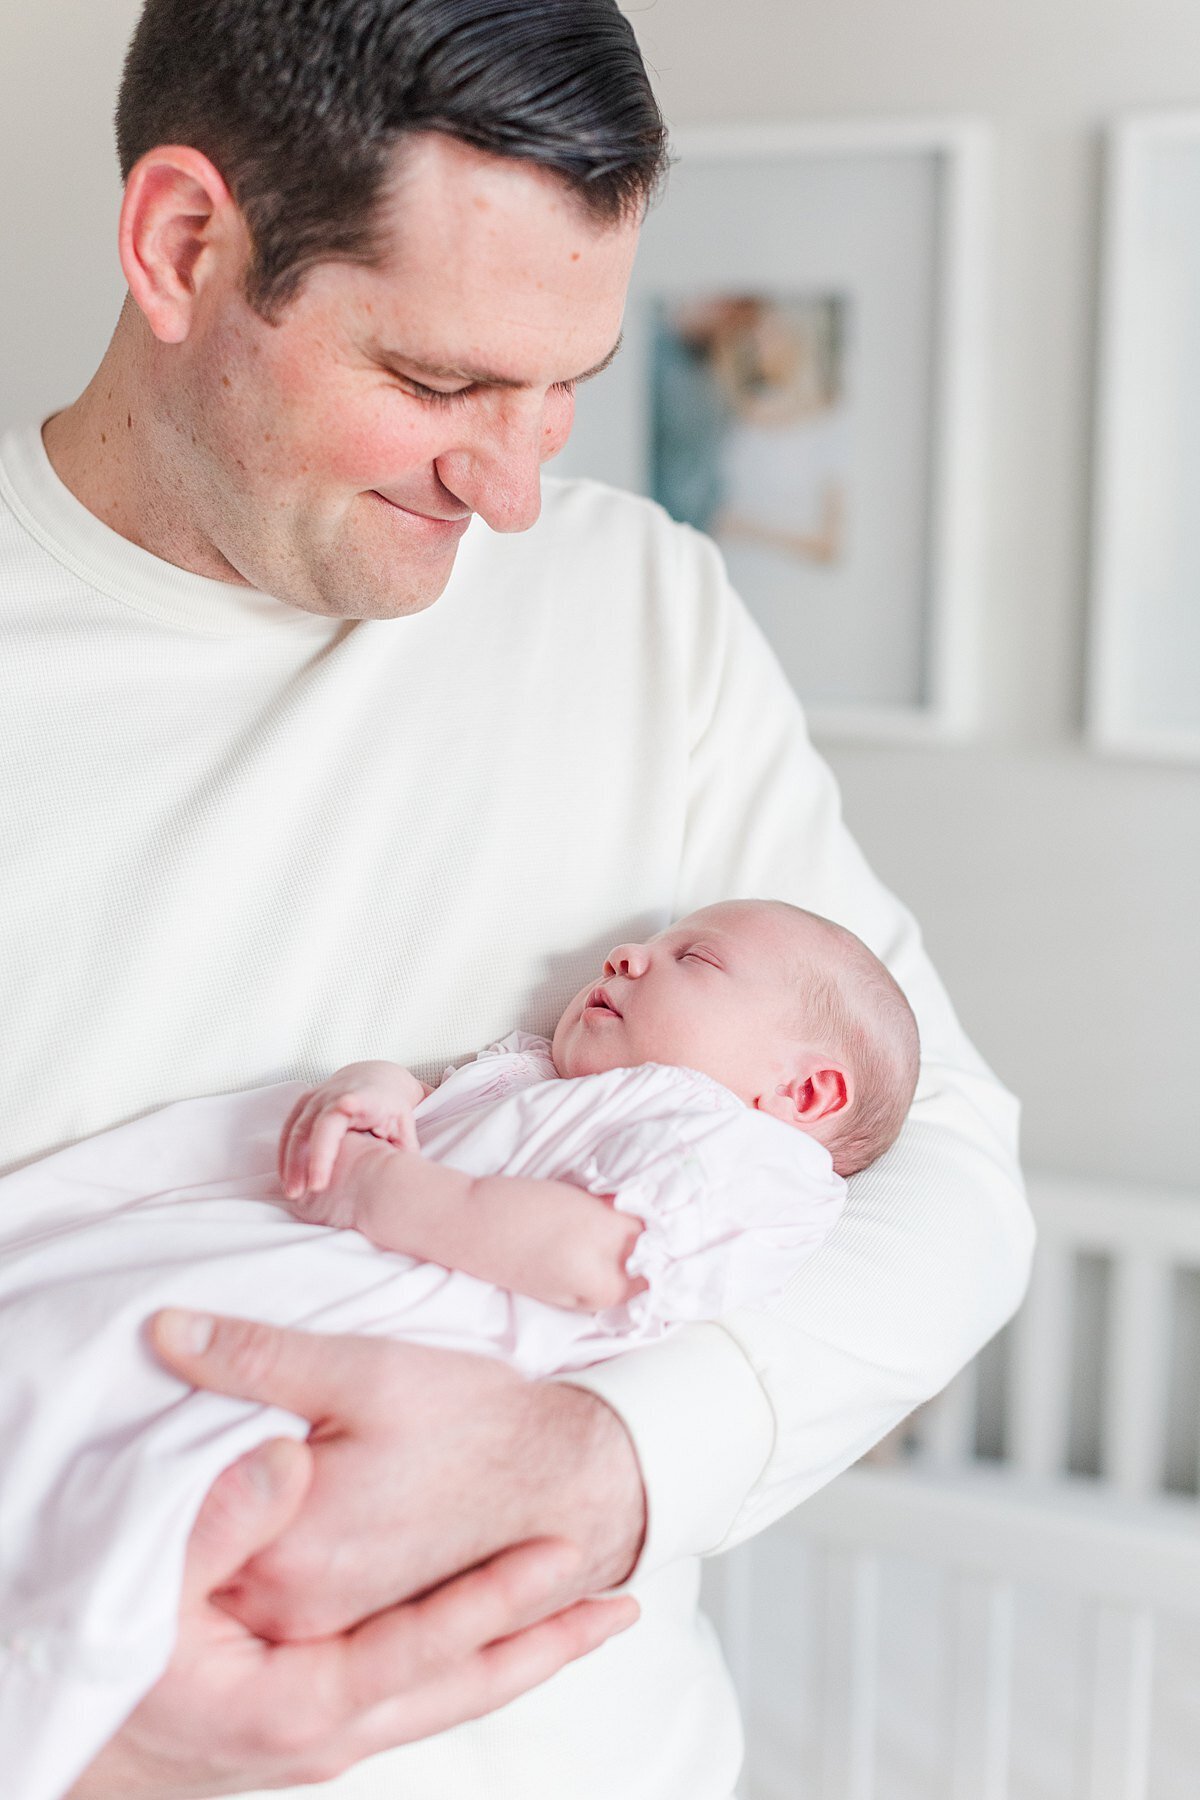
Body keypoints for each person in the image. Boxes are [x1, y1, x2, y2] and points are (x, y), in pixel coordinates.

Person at [0, 1, 1032, 1795]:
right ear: (184, 246)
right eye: (441, 383)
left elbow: (941, 1158)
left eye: (563, 387)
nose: (517, 489)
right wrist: (74, 1736)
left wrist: (610, 1461)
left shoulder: (641, 610)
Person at [1, 900, 917, 1799]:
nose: (629, 955)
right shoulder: (538, 1076)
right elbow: (428, 1104)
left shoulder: (740, 1150)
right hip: (298, 1265)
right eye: (651, 944)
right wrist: (372, 1091)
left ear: (804, 1092)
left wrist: (381, 1190)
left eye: (696, 961)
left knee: (142, 1483)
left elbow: (585, 1258)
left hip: (387, 1324)